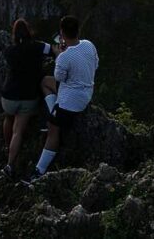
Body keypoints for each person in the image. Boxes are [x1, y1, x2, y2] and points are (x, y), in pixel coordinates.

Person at [29, 15, 98, 181]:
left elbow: (60, 77)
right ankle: (53, 111)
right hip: (87, 91)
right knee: (45, 82)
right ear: (78, 31)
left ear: (62, 33)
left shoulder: (64, 57)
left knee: (53, 130)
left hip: (71, 101)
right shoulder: (89, 44)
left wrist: (60, 55)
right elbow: (95, 63)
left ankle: (39, 171)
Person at [0, 18, 54, 178]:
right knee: (18, 131)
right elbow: (53, 50)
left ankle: (7, 146)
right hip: (28, 97)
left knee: (8, 117)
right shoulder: (39, 46)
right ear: (29, 31)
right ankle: (10, 164)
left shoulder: (9, 51)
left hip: (9, 96)